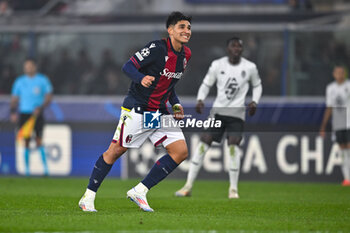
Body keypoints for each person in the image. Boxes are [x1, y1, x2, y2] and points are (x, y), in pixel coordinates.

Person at [79, 11, 192, 212]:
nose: (186, 31)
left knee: (180, 151)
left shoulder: (185, 56)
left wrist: (175, 105)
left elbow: (169, 84)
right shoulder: (157, 48)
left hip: (159, 111)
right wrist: (140, 78)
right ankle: (87, 197)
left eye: (188, 27)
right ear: (170, 30)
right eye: (182, 27)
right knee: (115, 151)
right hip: (138, 107)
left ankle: (140, 191)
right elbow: (128, 66)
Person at [175, 37, 262, 199]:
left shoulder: (250, 67)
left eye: (239, 46)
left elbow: (257, 85)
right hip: (218, 113)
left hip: (236, 114)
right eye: (233, 46)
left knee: (233, 147)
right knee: (203, 144)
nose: (236, 49)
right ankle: (187, 186)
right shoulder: (217, 65)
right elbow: (207, 83)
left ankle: (233, 190)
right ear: (227, 48)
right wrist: (200, 99)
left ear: (242, 50)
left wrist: (255, 101)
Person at [10, 58, 53, 176]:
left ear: (34, 67)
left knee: (39, 140)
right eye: (26, 66)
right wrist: (13, 112)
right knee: (26, 140)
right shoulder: (19, 81)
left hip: (37, 114)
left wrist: (41, 107)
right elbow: (14, 99)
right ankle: (27, 170)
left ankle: (45, 170)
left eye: (29, 66)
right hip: (24, 114)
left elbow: (49, 96)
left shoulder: (42, 80)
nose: (27, 68)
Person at [320, 65, 350, 186]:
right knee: (342, 149)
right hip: (338, 121)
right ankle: (347, 178)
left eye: (341, 72)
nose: (339, 75)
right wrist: (323, 126)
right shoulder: (330, 88)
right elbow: (329, 107)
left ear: (345, 74)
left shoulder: (349, 85)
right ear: (334, 74)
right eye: (337, 72)